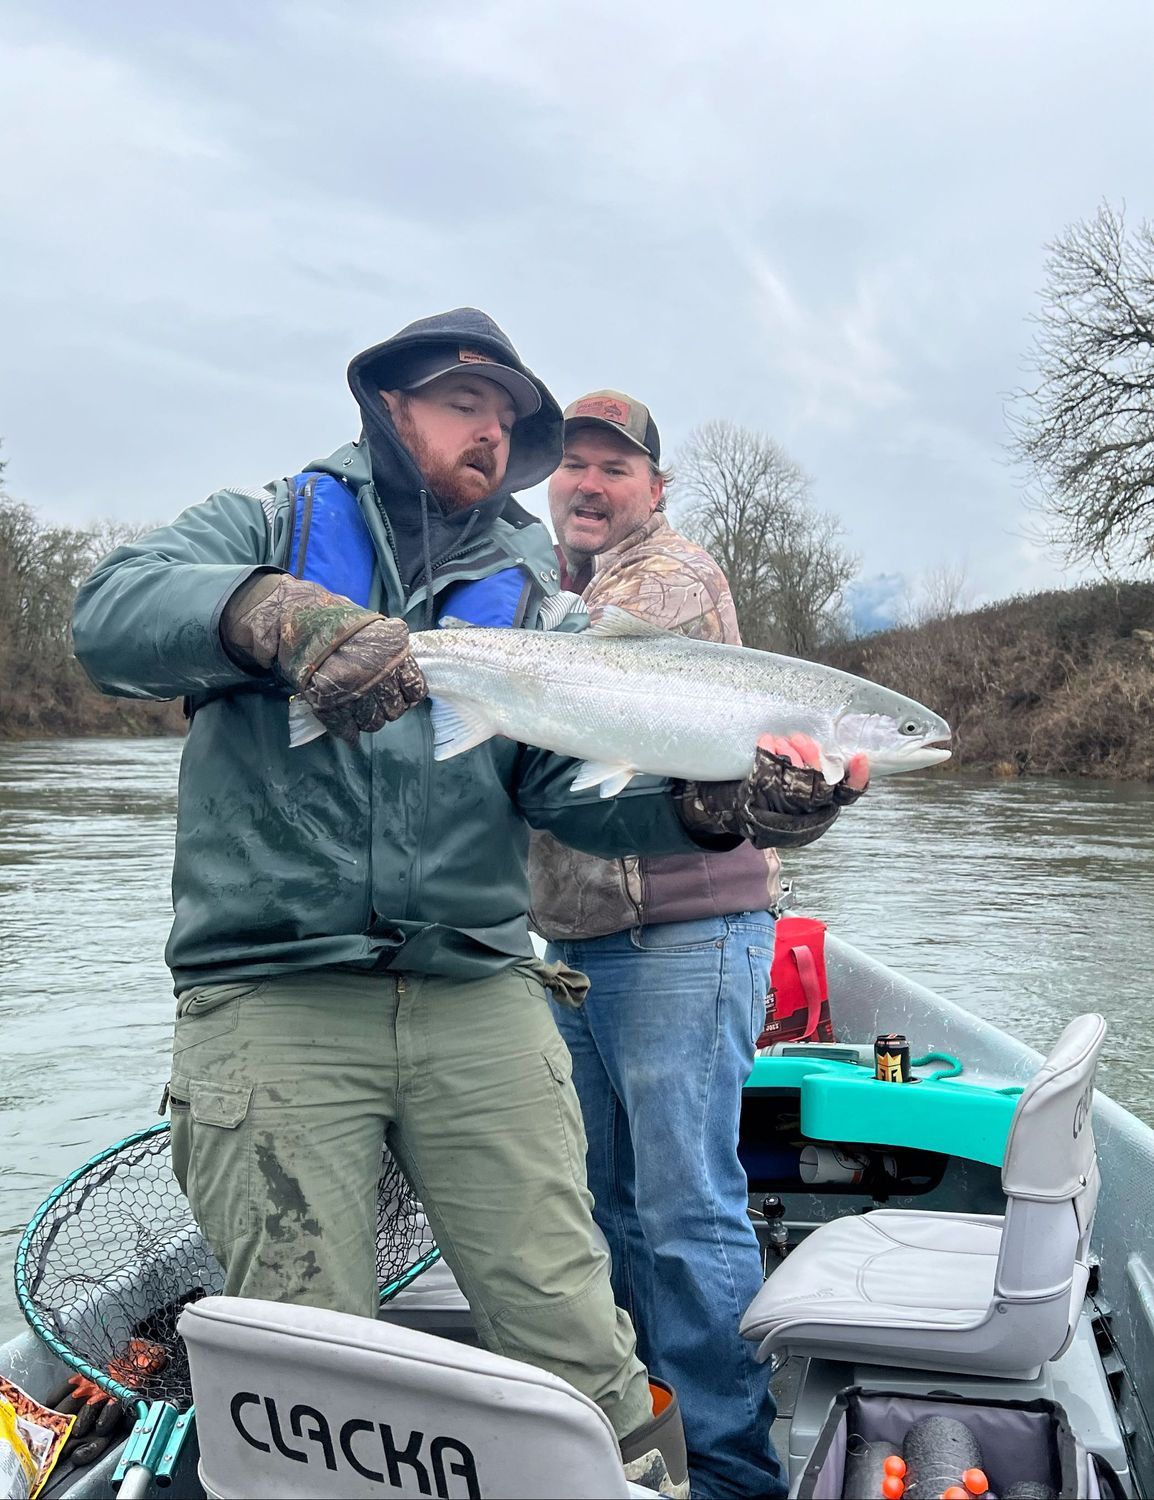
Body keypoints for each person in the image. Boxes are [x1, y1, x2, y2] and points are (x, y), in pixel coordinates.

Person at [72, 313, 850, 1495]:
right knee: (304, 1357)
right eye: (462, 401)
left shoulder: (526, 587)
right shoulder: (268, 521)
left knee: (574, 1329)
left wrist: (714, 811)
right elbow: (108, 618)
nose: (490, 431)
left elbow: (565, 802)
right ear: (389, 403)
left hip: (477, 990)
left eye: (506, 417)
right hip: (273, 992)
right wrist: (267, 615)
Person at [529, 389, 868, 1500]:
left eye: (613, 470)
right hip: (582, 941)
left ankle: (725, 1468)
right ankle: (646, 1430)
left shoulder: (657, 581)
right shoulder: (560, 588)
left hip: (680, 931)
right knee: (609, 1204)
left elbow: (573, 699)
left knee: (681, 1210)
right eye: (571, 466)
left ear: (654, 491)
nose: (587, 484)